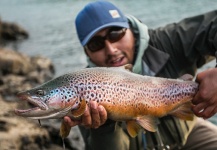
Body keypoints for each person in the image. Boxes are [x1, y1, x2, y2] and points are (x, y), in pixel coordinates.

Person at [64, 1, 217, 150]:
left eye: (116, 34)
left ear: (130, 29)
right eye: (96, 44)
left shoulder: (168, 41)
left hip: (188, 132)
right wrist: (103, 127)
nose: (111, 49)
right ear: (87, 52)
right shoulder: (83, 87)